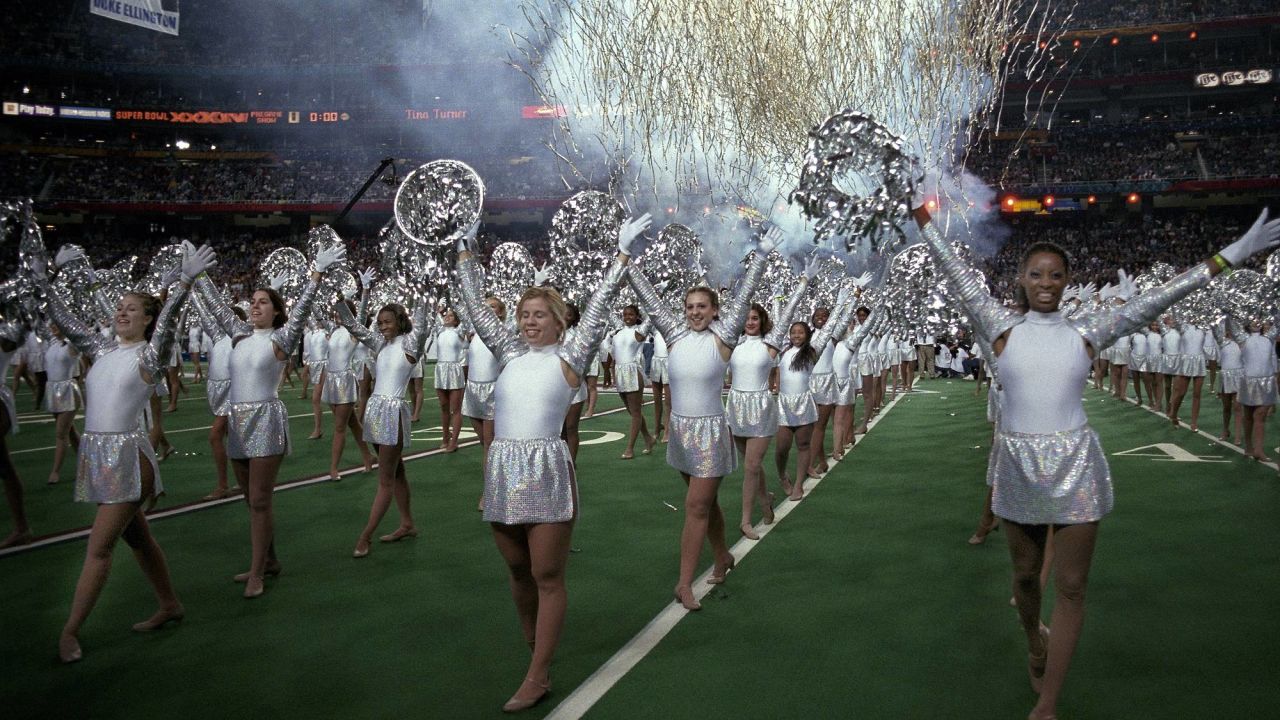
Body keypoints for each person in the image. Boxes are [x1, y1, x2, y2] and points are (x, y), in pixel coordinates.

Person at [915, 203, 1279, 720]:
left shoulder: (1088, 331)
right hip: (1016, 461)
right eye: (1036, 274)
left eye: (1056, 275)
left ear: (1067, 281)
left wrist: (1229, 257)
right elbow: (951, 266)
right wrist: (920, 213)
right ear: (1021, 279)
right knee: (1023, 580)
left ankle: (1048, 702)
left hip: (1076, 465)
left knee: (1071, 587)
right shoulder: (1000, 326)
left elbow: (1161, 296)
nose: (1046, 282)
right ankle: (1032, 639)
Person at [456, 213, 644, 712]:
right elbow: (477, 309)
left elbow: (601, 306)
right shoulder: (509, 352)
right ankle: (533, 648)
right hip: (501, 469)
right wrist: (465, 257)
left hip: (544, 470)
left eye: (540, 314)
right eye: (524, 314)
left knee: (546, 574)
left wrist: (622, 258)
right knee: (517, 569)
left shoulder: (571, 357)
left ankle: (538, 674)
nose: (529, 321)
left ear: (560, 321)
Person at [34, 241, 215, 663]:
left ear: (148, 319)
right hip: (99, 457)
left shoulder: (148, 358)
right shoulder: (103, 350)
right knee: (139, 539)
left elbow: (168, 325)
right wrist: (48, 282)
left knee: (98, 548)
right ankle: (170, 604)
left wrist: (185, 283)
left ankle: (70, 630)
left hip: (128, 462)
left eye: (132, 309)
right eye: (120, 307)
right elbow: (66, 319)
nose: (122, 312)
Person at [631, 227, 781, 611]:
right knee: (707, 505)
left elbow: (746, 293)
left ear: (715, 310)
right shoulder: (675, 335)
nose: (695, 312)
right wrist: (625, 257)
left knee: (696, 507)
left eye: (702, 306)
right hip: (682, 432)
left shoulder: (723, 336)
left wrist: (760, 255)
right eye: (689, 307)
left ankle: (683, 583)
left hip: (711, 433)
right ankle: (722, 556)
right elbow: (646, 295)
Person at [195, 240, 343, 598]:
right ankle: (270, 560)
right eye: (253, 301)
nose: (255, 306)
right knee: (250, 499)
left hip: (265, 419)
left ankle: (257, 571)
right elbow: (216, 306)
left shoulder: (281, 338)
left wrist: (316, 274)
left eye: (263, 302)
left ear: (276, 311)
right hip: (237, 418)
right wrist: (197, 276)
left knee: (260, 499)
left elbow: (304, 307)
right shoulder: (238, 334)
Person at [336, 300, 431, 557]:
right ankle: (407, 523)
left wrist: (424, 295)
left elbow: (421, 327)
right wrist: (339, 301)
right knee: (396, 471)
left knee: (385, 479)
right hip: (375, 410)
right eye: (380, 323)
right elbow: (354, 327)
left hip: (392, 412)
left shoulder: (410, 345)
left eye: (387, 321)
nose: (382, 326)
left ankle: (365, 536)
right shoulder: (381, 344)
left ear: (400, 321)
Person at [189, 291, 245, 500]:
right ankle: (241, 480)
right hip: (218, 392)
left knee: (215, 437)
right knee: (234, 440)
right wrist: (192, 291)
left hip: (232, 394)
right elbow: (204, 314)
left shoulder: (240, 338)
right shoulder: (219, 337)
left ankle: (223, 485)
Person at [321, 299, 375, 480]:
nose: (336, 315)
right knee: (353, 424)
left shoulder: (353, 332)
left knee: (339, 427)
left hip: (345, 380)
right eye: (335, 311)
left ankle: (333, 468)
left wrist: (366, 289)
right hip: (331, 380)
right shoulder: (334, 331)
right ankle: (368, 457)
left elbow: (360, 316)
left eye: (340, 312)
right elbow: (316, 315)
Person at [0, 318, 31, 549]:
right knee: (5, 468)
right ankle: (21, 527)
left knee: (5, 468)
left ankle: (22, 527)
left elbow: (15, 337)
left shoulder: (7, 333)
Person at [612, 304, 655, 459]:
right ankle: (648, 438)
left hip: (632, 372)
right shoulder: (618, 331)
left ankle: (630, 448)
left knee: (635, 413)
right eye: (625, 314)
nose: (627, 317)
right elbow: (607, 310)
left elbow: (651, 317)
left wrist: (655, 295)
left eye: (631, 314)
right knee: (632, 411)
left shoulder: (639, 332)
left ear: (637, 316)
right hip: (619, 372)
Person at [43, 323, 82, 485]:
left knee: (61, 433)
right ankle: (88, 464)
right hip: (53, 389)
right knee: (70, 431)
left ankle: (55, 472)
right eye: (52, 324)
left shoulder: (72, 344)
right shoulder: (52, 343)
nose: (53, 326)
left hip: (68, 390)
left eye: (57, 323)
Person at [1238, 316, 1278, 462]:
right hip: (1248, 381)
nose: (1256, 322)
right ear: (1247, 324)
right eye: (1252, 320)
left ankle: (1259, 449)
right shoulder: (1242, 338)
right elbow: (1230, 322)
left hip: (1267, 381)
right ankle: (1248, 445)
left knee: (1259, 415)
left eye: (1258, 319)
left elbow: (1278, 322)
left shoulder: (1269, 337)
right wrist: (1227, 310)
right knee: (1248, 416)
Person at [433, 308, 466, 452]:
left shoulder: (459, 331)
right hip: (440, 369)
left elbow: (466, 317)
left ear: (457, 320)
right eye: (446, 315)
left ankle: (454, 442)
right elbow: (433, 314)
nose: (447, 317)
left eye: (451, 315)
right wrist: (437, 310)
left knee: (455, 409)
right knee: (443, 407)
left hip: (454, 369)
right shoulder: (440, 331)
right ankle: (445, 437)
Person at [1168, 320, 1207, 431]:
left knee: (1197, 394)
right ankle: (1174, 414)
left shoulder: (1203, 327)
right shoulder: (1183, 326)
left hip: (1199, 361)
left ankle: (1194, 422)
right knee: (1181, 393)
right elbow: (1175, 314)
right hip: (1186, 361)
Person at [1214, 318, 1245, 445]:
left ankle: (1238, 435)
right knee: (1226, 407)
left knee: (1237, 407)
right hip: (1225, 375)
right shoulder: (1223, 342)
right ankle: (1225, 430)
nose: (1230, 331)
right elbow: (1216, 330)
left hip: (1239, 375)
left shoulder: (1242, 342)